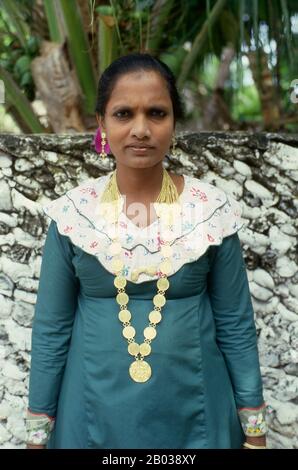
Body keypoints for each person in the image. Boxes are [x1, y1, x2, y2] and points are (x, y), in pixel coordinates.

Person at [26, 53, 267, 449]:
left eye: (156, 113)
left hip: (199, 420)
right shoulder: (74, 216)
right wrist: (37, 435)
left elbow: (236, 325)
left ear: (174, 123)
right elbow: (51, 330)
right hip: (88, 420)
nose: (141, 129)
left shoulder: (210, 212)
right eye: (124, 114)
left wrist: (255, 430)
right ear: (101, 124)